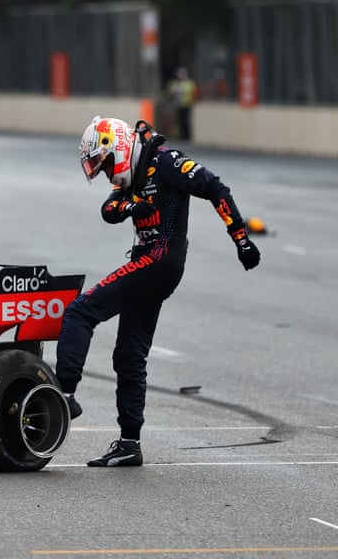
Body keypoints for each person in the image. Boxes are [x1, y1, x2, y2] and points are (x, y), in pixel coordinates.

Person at [59, 116, 260, 467]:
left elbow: (215, 187)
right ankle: (129, 443)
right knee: (128, 355)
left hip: (159, 260)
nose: (106, 173)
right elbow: (108, 210)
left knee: (80, 310)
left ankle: (63, 395)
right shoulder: (132, 171)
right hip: (149, 263)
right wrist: (131, 206)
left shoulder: (166, 161)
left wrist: (240, 238)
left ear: (118, 147)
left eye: (105, 164)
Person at [168, 67, 199, 140]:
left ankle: (187, 136)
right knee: (179, 121)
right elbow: (169, 94)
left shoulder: (190, 83)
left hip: (187, 105)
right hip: (178, 105)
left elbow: (194, 93)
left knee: (186, 121)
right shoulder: (175, 84)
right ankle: (181, 135)